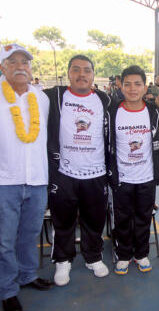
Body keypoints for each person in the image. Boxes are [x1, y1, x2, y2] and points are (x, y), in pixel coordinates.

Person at [0, 44, 53, 311]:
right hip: (2, 181)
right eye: (12, 61)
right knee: (4, 240)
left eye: (25, 62)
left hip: (37, 179)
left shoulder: (41, 98)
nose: (20, 66)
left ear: (31, 67)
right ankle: (7, 289)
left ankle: (27, 275)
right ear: (1, 67)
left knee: (29, 234)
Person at [45, 55, 113, 283]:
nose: (81, 74)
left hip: (95, 173)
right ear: (68, 74)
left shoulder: (104, 99)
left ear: (93, 75)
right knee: (62, 221)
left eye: (86, 70)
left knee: (94, 220)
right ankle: (63, 261)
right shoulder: (54, 97)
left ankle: (93, 257)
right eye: (76, 69)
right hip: (64, 173)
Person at [108, 65, 159, 274]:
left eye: (137, 84)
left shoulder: (153, 112)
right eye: (128, 84)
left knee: (142, 217)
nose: (132, 89)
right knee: (122, 218)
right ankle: (123, 254)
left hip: (147, 177)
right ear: (120, 86)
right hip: (122, 178)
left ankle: (141, 254)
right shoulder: (112, 112)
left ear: (145, 86)